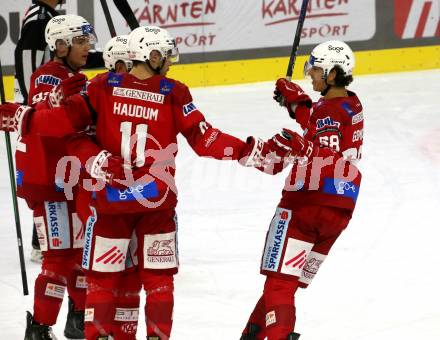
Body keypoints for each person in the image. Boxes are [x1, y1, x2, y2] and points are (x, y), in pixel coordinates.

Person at [238, 40, 364, 340]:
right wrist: (298, 105)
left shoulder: (328, 114)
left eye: (317, 69)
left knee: (279, 283)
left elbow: (320, 149)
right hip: (340, 210)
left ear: (333, 74)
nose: (311, 74)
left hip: (307, 204)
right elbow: (323, 128)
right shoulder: (351, 103)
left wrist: (300, 143)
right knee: (286, 281)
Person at [15, 14, 97, 340]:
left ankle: (78, 317)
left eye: (86, 40)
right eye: (79, 41)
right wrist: (56, 97)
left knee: (78, 255)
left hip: (70, 179)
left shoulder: (73, 75)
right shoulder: (49, 75)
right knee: (58, 258)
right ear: (60, 45)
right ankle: (39, 327)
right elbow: (41, 116)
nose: (86, 46)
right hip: (49, 181)